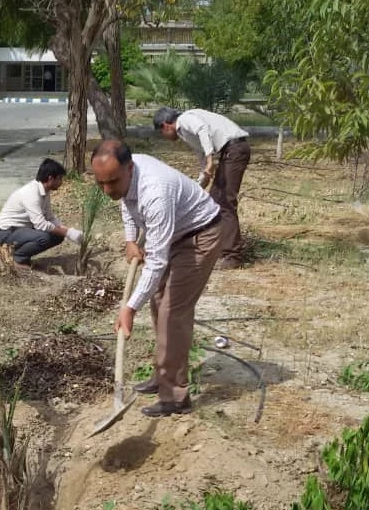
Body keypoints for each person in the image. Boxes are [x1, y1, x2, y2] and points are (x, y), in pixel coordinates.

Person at [90, 140, 222, 417]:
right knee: (158, 301)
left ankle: (175, 396)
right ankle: (163, 374)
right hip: (175, 233)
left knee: (172, 312)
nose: (107, 190)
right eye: (101, 183)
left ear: (129, 168)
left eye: (112, 182)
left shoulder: (156, 192)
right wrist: (129, 240)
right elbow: (126, 201)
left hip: (200, 236)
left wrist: (129, 307)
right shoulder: (125, 176)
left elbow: (157, 261)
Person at [153, 107, 251, 269]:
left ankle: (233, 256)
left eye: (162, 133)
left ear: (165, 125)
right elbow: (201, 154)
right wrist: (201, 181)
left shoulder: (185, 119)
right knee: (213, 201)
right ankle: (219, 247)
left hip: (235, 150)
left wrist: (210, 160)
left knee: (225, 202)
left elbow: (202, 129)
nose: (164, 137)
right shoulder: (185, 132)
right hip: (230, 152)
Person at [0, 158, 84, 268]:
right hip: (7, 232)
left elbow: (49, 218)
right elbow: (40, 224)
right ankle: (17, 258)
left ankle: (21, 255)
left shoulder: (45, 193)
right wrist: (67, 233)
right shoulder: (31, 193)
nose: (61, 182)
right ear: (50, 178)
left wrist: (68, 230)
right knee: (44, 238)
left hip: (21, 230)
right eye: (60, 179)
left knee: (57, 236)